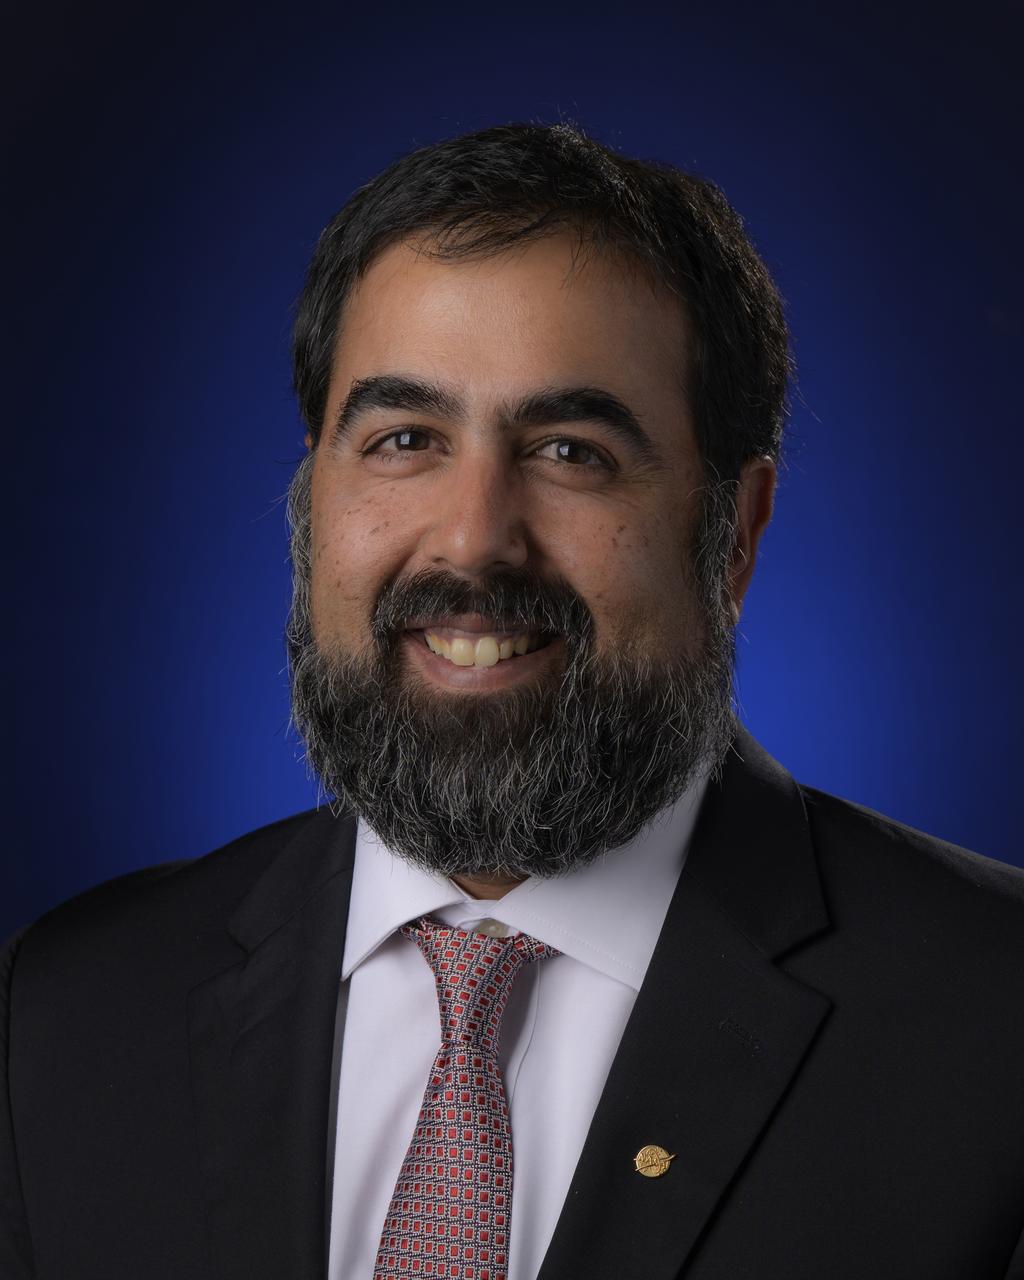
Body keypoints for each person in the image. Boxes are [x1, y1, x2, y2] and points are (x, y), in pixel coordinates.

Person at [2, 123, 1022, 1280]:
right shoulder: (68, 1013)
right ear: (315, 493)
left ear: (732, 533)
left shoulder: (997, 1025)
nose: (474, 537)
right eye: (402, 439)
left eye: (570, 451)